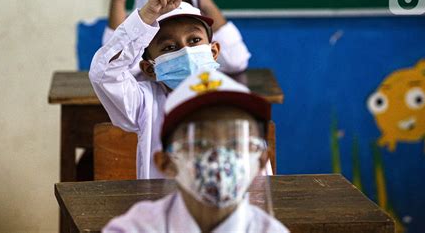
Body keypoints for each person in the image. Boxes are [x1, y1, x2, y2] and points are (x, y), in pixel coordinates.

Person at [102, 70, 288, 233]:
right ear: (166, 163)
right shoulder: (134, 229)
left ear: (261, 161)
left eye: (235, 144)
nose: (219, 157)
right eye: (200, 143)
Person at [90, 0, 222, 179]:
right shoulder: (145, 103)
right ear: (149, 69)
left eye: (195, 40)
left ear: (214, 51)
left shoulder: (236, 102)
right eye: (169, 48)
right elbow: (104, 73)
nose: (186, 53)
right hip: (162, 208)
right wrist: (146, 15)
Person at [103, 0, 251, 76]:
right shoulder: (140, 44)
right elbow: (114, 65)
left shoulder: (201, 34)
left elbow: (236, 60)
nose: (176, 5)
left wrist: (207, 6)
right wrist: (118, 0)